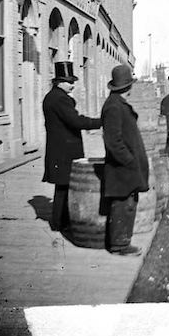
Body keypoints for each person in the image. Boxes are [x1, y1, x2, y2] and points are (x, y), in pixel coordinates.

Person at [42, 60, 101, 232]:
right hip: (64, 150)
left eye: (73, 81)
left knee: (64, 186)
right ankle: (59, 223)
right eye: (69, 82)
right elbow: (75, 121)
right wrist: (99, 122)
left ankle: (61, 221)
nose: (72, 85)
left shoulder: (52, 97)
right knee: (64, 186)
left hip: (59, 148)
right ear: (59, 82)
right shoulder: (61, 99)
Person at [101, 62, 150, 256]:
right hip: (122, 168)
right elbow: (113, 141)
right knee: (123, 205)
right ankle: (119, 245)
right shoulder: (114, 106)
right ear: (127, 87)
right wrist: (129, 160)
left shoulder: (116, 103)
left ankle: (122, 241)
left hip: (125, 167)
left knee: (128, 203)